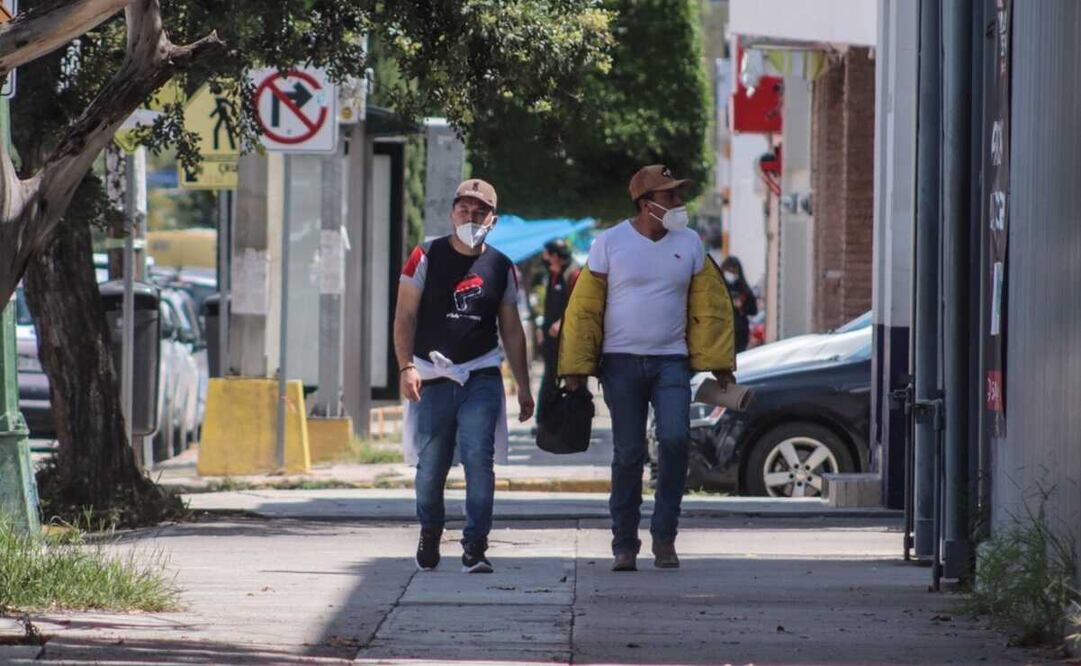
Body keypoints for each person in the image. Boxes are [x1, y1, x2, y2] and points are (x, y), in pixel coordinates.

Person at [559, 164, 736, 572]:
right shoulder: (610, 243)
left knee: (675, 441)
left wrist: (720, 365)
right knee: (629, 453)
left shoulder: (690, 243)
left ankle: (665, 536)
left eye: (678, 195)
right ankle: (624, 543)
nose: (679, 203)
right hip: (620, 363)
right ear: (645, 203)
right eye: (670, 196)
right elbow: (585, 310)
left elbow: (709, 309)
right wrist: (576, 368)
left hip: (672, 362)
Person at [394, 178, 535, 574]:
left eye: (479, 212)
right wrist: (406, 366)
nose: (470, 217)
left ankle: (475, 546)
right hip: (431, 374)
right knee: (431, 465)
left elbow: (511, 329)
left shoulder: (501, 267)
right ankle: (430, 531)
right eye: (464, 209)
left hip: (481, 374)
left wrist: (524, 386)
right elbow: (404, 315)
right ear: (452, 211)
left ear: (493, 219)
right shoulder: (425, 255)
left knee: (479, 459)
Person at [536, 239, 580, 425]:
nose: (545, 260)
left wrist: (562, 322)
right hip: (551, 339)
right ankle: (545, 420)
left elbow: (579, 306)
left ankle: (573, 419)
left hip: (569, 339)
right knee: (550, 378)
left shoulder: (574, 275)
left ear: (556, 256)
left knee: (573, 379)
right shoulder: (553, 275)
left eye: (547, 256)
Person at [720, 256, 758, 353]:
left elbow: (753, 310)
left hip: (739, 332)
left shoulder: (742, 287)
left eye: (734, 272)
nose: (731, 274)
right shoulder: (718, 287)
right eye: (729, 271)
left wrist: (742, 306)